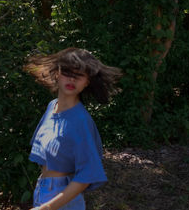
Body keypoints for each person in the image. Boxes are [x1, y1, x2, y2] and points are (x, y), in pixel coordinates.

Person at [24, 48, 122, 210]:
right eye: (67, 72)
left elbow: (86, 176)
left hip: (62, 199)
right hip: (43, 189)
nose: (72, 79)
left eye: (79, 75)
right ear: (57, 73)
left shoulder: (80, 121)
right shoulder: (51, 107)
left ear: (87, 81)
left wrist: (47, 207)